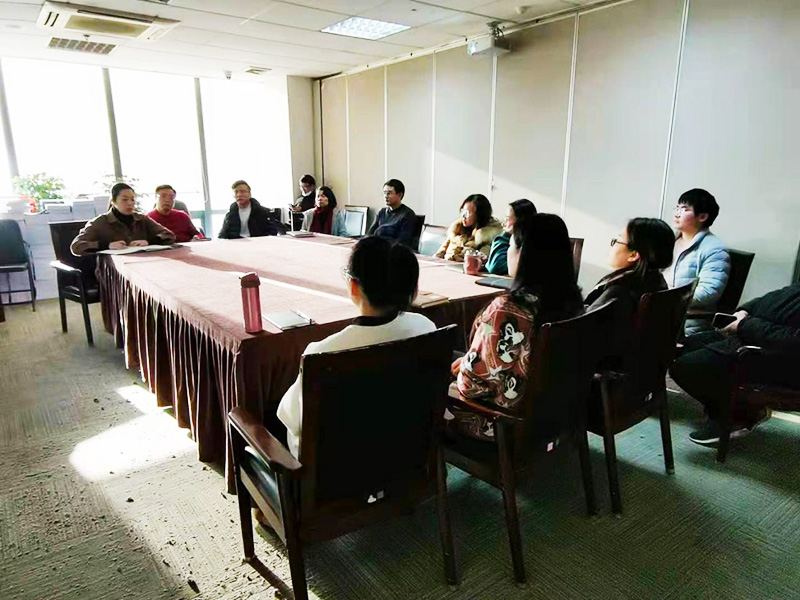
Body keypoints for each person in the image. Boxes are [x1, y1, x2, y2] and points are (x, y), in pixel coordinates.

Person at [277, 236, 436, 457]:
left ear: (353, 286)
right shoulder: (427, 328)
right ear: (412, 288)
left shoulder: (322, 352)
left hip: (337, 468)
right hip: (406, 455)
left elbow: (293, 418)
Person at [448, 213, 584, 441]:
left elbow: (471, 388)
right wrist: (471, 361)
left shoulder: (507, 310)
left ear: (524, 255)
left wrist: (466, 368)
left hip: (500, 424)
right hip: (551, 416)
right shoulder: (573, 302)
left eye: (510, 246)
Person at [670, 284, 800, 446]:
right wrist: (744, 311)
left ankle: (738, 417)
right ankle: (732, 410)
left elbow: (793, 340)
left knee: (687, 367)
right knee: (682, 348)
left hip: (777, 357)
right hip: (753, 336)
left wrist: (744, 324)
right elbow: (775, 298)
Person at [584, 218, 675, 364]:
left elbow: (581, 330)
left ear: (633, 255)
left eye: (617, 241)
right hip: (640, 361)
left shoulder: (619, 291)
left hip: (602, 363)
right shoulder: (655, 280)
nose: (612, 246)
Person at [664, 189, 730, 336]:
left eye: (685, 209)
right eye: (677, 208)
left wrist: (665, 298)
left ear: (703, 216)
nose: (677, 214)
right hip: (664, 316)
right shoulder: (672, 241)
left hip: (688, 325)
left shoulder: (715, 250)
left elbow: (708, 292)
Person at [71, 183, 175, 255]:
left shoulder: (141, 219)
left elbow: (169, 235)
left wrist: (149, 241)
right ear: (113, 201)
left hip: (143, 264)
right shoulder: (100, 222)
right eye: (124, 199)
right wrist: (106, 245)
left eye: (132, 200)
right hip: (112, 271)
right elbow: (76, 246)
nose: (130, 203)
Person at [436, 194, 503, 263]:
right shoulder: (456, 231)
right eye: (462, 211)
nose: (463, 216)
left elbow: (479, 261)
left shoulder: (486, 238)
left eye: (467, 213)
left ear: (479, 215)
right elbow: (439, 254)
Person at [218, 180, 284, 239]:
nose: (239, 195)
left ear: (249, 194)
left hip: (257, 243)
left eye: (243, 191)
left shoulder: (262, 212)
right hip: (237, 243)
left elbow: (272, 231)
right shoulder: (230, 213)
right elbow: (223, 233)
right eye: (236, 192)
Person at [486, 199, 537, 275]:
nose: (503, 223)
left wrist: (504, 236)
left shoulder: (522, 244)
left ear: (519, 221)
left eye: (507, 218)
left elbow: (496, 267)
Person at [367, 179, 417, 246]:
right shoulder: (382, 212)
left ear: (399, 195)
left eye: (389, 193)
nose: (386, 196)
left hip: (393, 249)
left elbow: (402, 242)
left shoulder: (407, 214)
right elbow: (370, 234)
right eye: (384, 193)